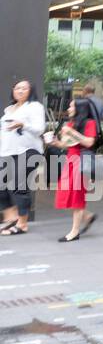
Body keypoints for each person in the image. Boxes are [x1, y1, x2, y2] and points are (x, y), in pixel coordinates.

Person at [0, 80, 46, 235]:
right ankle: (10, 219)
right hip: (6, 151)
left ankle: (22, 224)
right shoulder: (9, 109)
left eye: (24, 88)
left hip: (27, 151)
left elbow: (40, 129)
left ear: (30, 91)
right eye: (17, 88)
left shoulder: (34, 107)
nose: (20, 91)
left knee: (18, 186)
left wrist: (23, 124)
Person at [53, 96, 99, 242]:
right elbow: (67, 146)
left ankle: (74, 231)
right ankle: (87, 216)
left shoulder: (89, 123)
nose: (69, 109)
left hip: (81, 161)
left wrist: (71, 132)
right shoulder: (72, 123)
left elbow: (89, 142)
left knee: (76, 196)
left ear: (80, 108)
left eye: (72, 106)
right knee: (66, 194)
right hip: (70, 161)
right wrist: (55, 142)